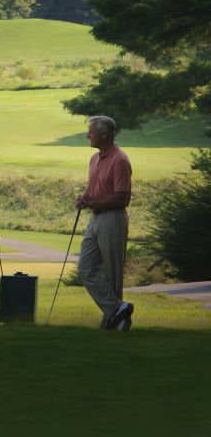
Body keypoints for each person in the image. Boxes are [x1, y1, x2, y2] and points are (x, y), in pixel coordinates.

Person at [76, 115, 134, 331]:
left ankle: (114, 319)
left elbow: (122, 198)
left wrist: (93, 201)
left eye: (91, 132)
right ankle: (117, 308)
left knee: (112, 272)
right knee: (86, 269)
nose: (87, 135)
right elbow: (93, 188)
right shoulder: (94, 158)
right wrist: (85, 198)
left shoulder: (120, 160)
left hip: (113, 218)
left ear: (104, 134)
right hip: (96, 217)